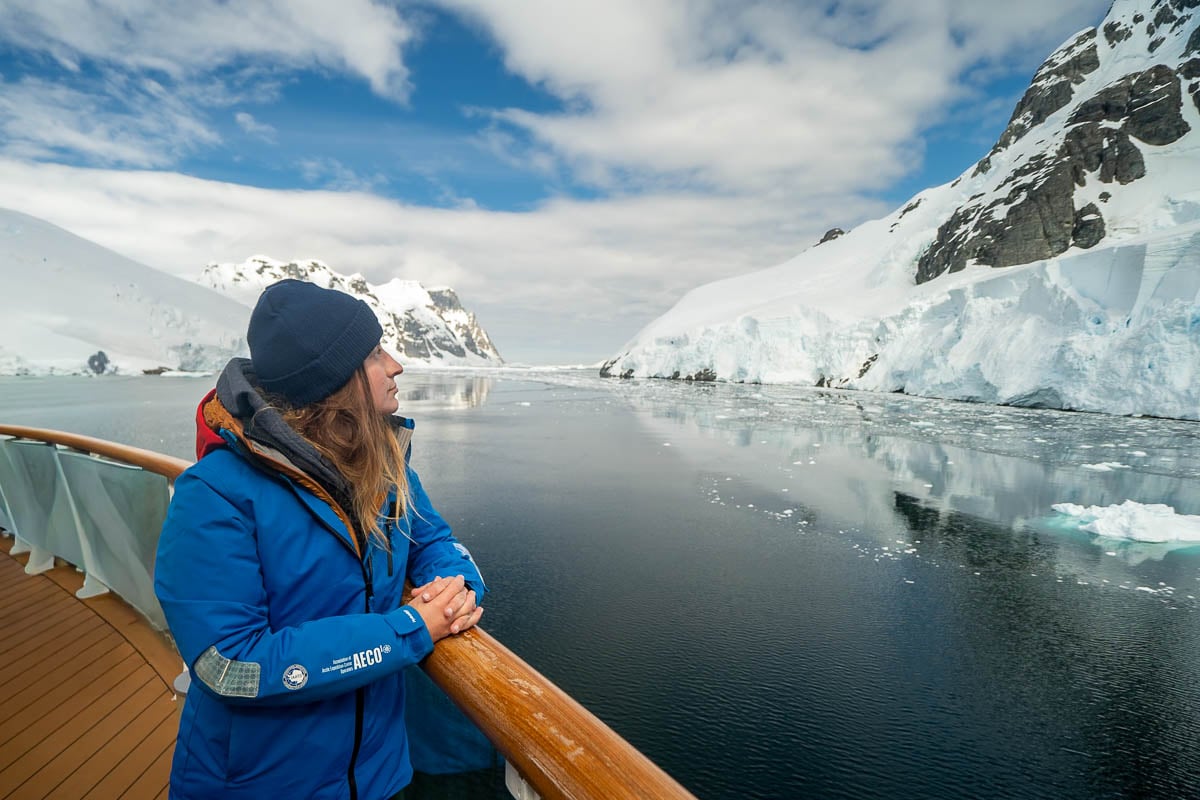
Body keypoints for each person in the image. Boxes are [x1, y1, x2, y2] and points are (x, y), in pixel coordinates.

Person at [154, 279, 486, 800]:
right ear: (335, 380)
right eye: (376, 353)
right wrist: (409, 629)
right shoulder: (215, 496)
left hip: (380, 777)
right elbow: (230, 664)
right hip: (257, 786)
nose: (396, 364)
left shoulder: (384, 468)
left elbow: (434, 541)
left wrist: (457, 588)